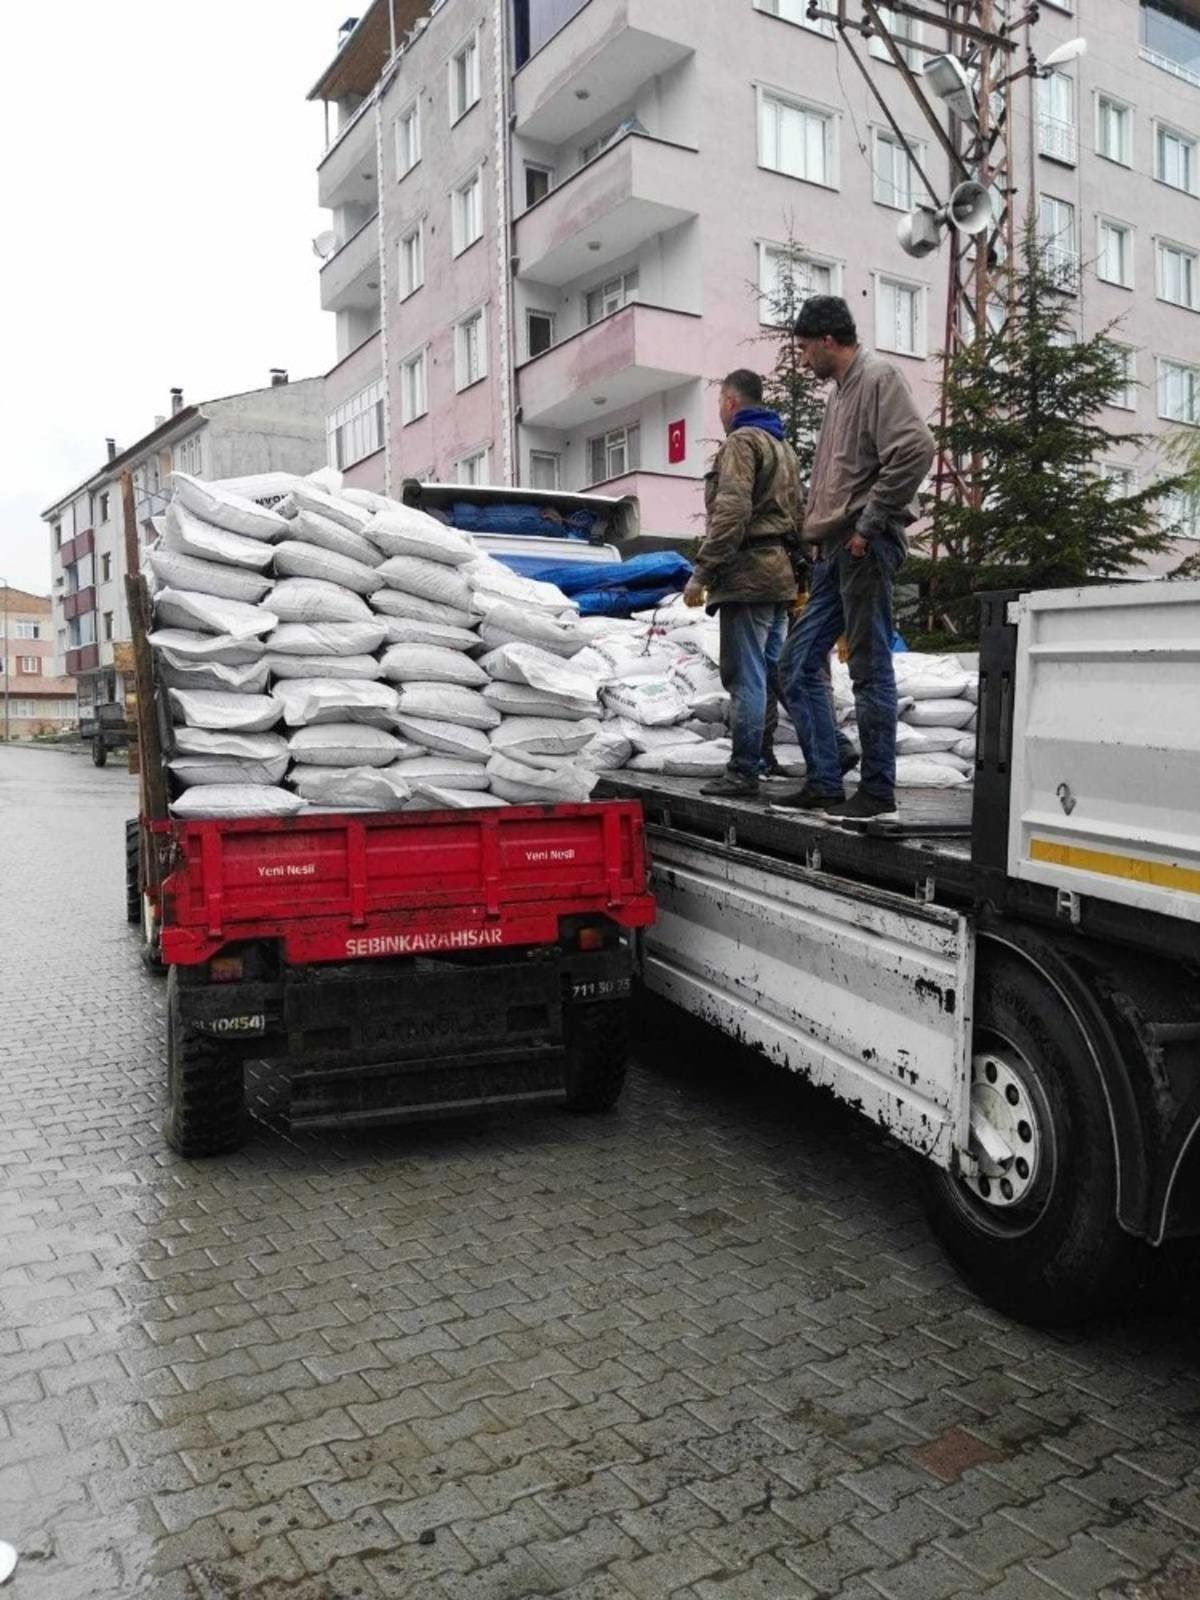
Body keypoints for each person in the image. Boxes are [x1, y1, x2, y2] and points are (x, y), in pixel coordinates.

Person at [774, 296, 934, 822]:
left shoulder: (877, 377)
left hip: (864, 545)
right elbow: (838, 473)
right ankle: (824, 779)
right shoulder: (840, 393)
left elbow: (915, 448)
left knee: (868, 670)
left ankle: (877, 789)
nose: (802, 360)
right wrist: (819, 534)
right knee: (795, 664)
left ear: (827, 340)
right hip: (835, 551)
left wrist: (869, 524)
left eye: (803, 347)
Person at [682, 370, 801, 798]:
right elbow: (798, 514)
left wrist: (703, 572)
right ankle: (830, 748)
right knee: (776, 674)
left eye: (719, 404)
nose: (719, 412)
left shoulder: (741, 443)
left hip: (748, 575)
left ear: (730, 401)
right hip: (780, 574)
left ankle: (744, 769)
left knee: (746, 678)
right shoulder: (782, 447)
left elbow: (731, 514)